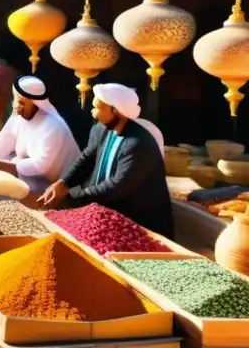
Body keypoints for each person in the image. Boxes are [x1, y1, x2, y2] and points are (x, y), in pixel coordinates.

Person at [38, 83, 173, 238]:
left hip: (137, 223)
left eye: (97, 107)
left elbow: (116, 186)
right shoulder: (100, 129)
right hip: (106, 211)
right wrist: (63, 183)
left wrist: (71, 198)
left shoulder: (138, 143)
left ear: (115, 110)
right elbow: (87, 158)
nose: (93, 112)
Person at [0, 75, 82, 195]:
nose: (17, 106)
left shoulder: (53, 126)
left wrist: (2, 165)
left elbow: (40, 166)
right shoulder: (19, 118)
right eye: (17, 101)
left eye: (22, 103)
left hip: (60, 189)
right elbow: (3, 141)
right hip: (34, 179)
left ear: (35, 103)